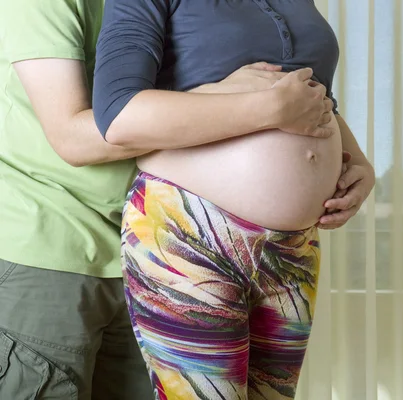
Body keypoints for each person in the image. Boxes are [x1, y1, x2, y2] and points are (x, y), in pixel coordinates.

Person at [0, 1, 332, 399]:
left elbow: (280, 83)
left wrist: (349, 158)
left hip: (143, 241)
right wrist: (230, 102)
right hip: (59, 243)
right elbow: (80, 134)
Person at [92, 0, 376, 399]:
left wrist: (358, 162)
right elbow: (119, 115)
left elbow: (316, 97)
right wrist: (267, 108)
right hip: (188, 234)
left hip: (292, 249)